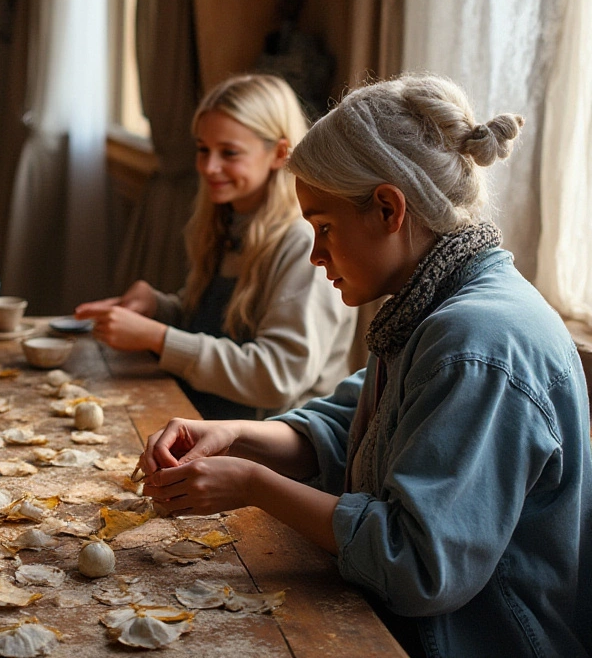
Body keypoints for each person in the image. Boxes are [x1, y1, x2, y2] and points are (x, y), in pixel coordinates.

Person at [138, 74, 591, 657]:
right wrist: (234, 437)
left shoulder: (476, 341)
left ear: (387, 207)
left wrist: (253, 484)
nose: (315, 252)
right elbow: (348, 427)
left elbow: (416, 565)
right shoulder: (429, 302)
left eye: (324, 227)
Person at [75, 74, 356, 419]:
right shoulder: (227, 221)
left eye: (229, 153)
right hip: (202, 413)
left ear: (280, 153)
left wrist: (159, 338)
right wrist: (160, 308)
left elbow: (277, 378)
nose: (210, 167)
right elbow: (217, 327)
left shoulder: (301, 243)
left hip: (269, 441)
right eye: (203, 150)